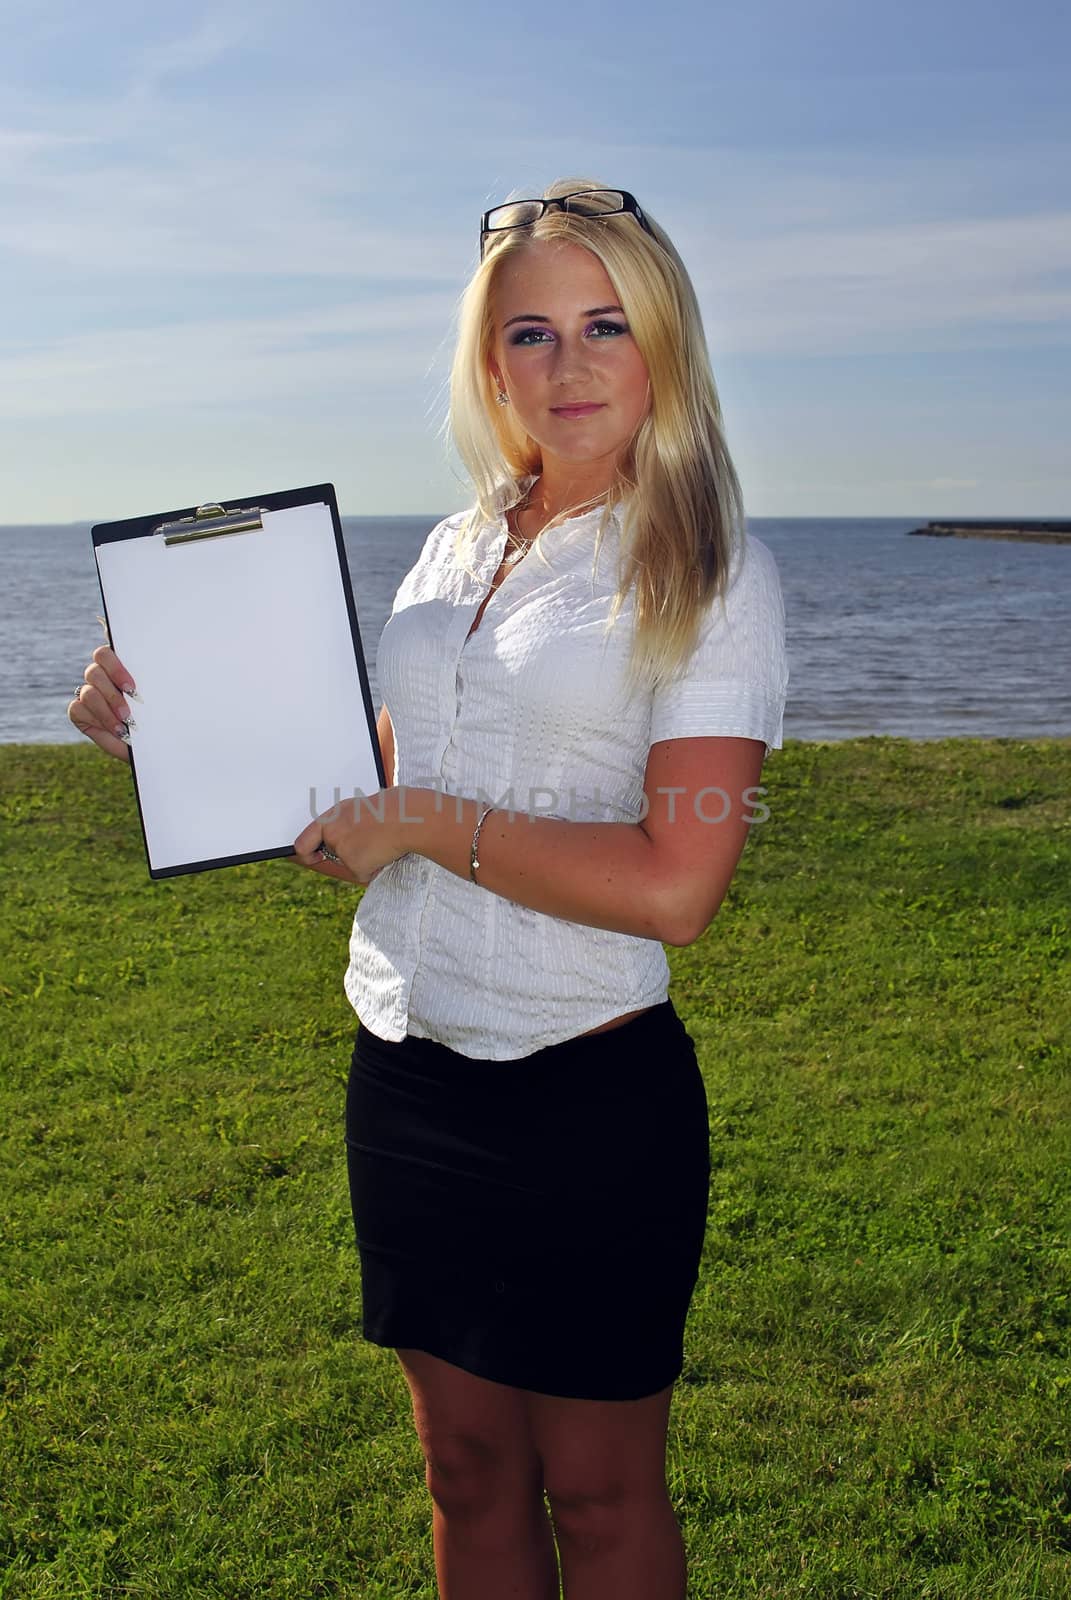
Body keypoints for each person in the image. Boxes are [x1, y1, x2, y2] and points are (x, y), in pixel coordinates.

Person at [69, 179, 788, 1600]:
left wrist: (423, 818)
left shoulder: (712, 568)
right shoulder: (459, 544)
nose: (568, 367)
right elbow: (370, 778)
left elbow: (677, 883)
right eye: (531, 334)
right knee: (462, 1472)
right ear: (487, 360)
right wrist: (171, 713)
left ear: (665, 347)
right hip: (408, 1072)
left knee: (598, 1489)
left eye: (606, 326)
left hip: (589, 1094)